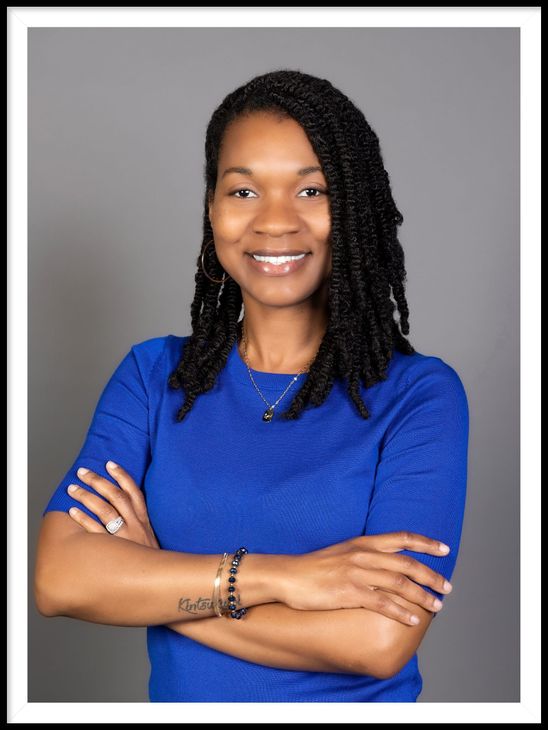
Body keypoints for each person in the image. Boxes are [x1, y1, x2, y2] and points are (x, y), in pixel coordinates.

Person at [34, 69, 469, 702]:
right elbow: (59, 579)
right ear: (212, 209)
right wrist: (278, 578)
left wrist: (155, 581)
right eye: (243, 192)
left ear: (354, 208)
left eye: (312, 190)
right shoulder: (153, 377)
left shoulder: (420, 396)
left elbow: (378, 642)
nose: (274, 222)